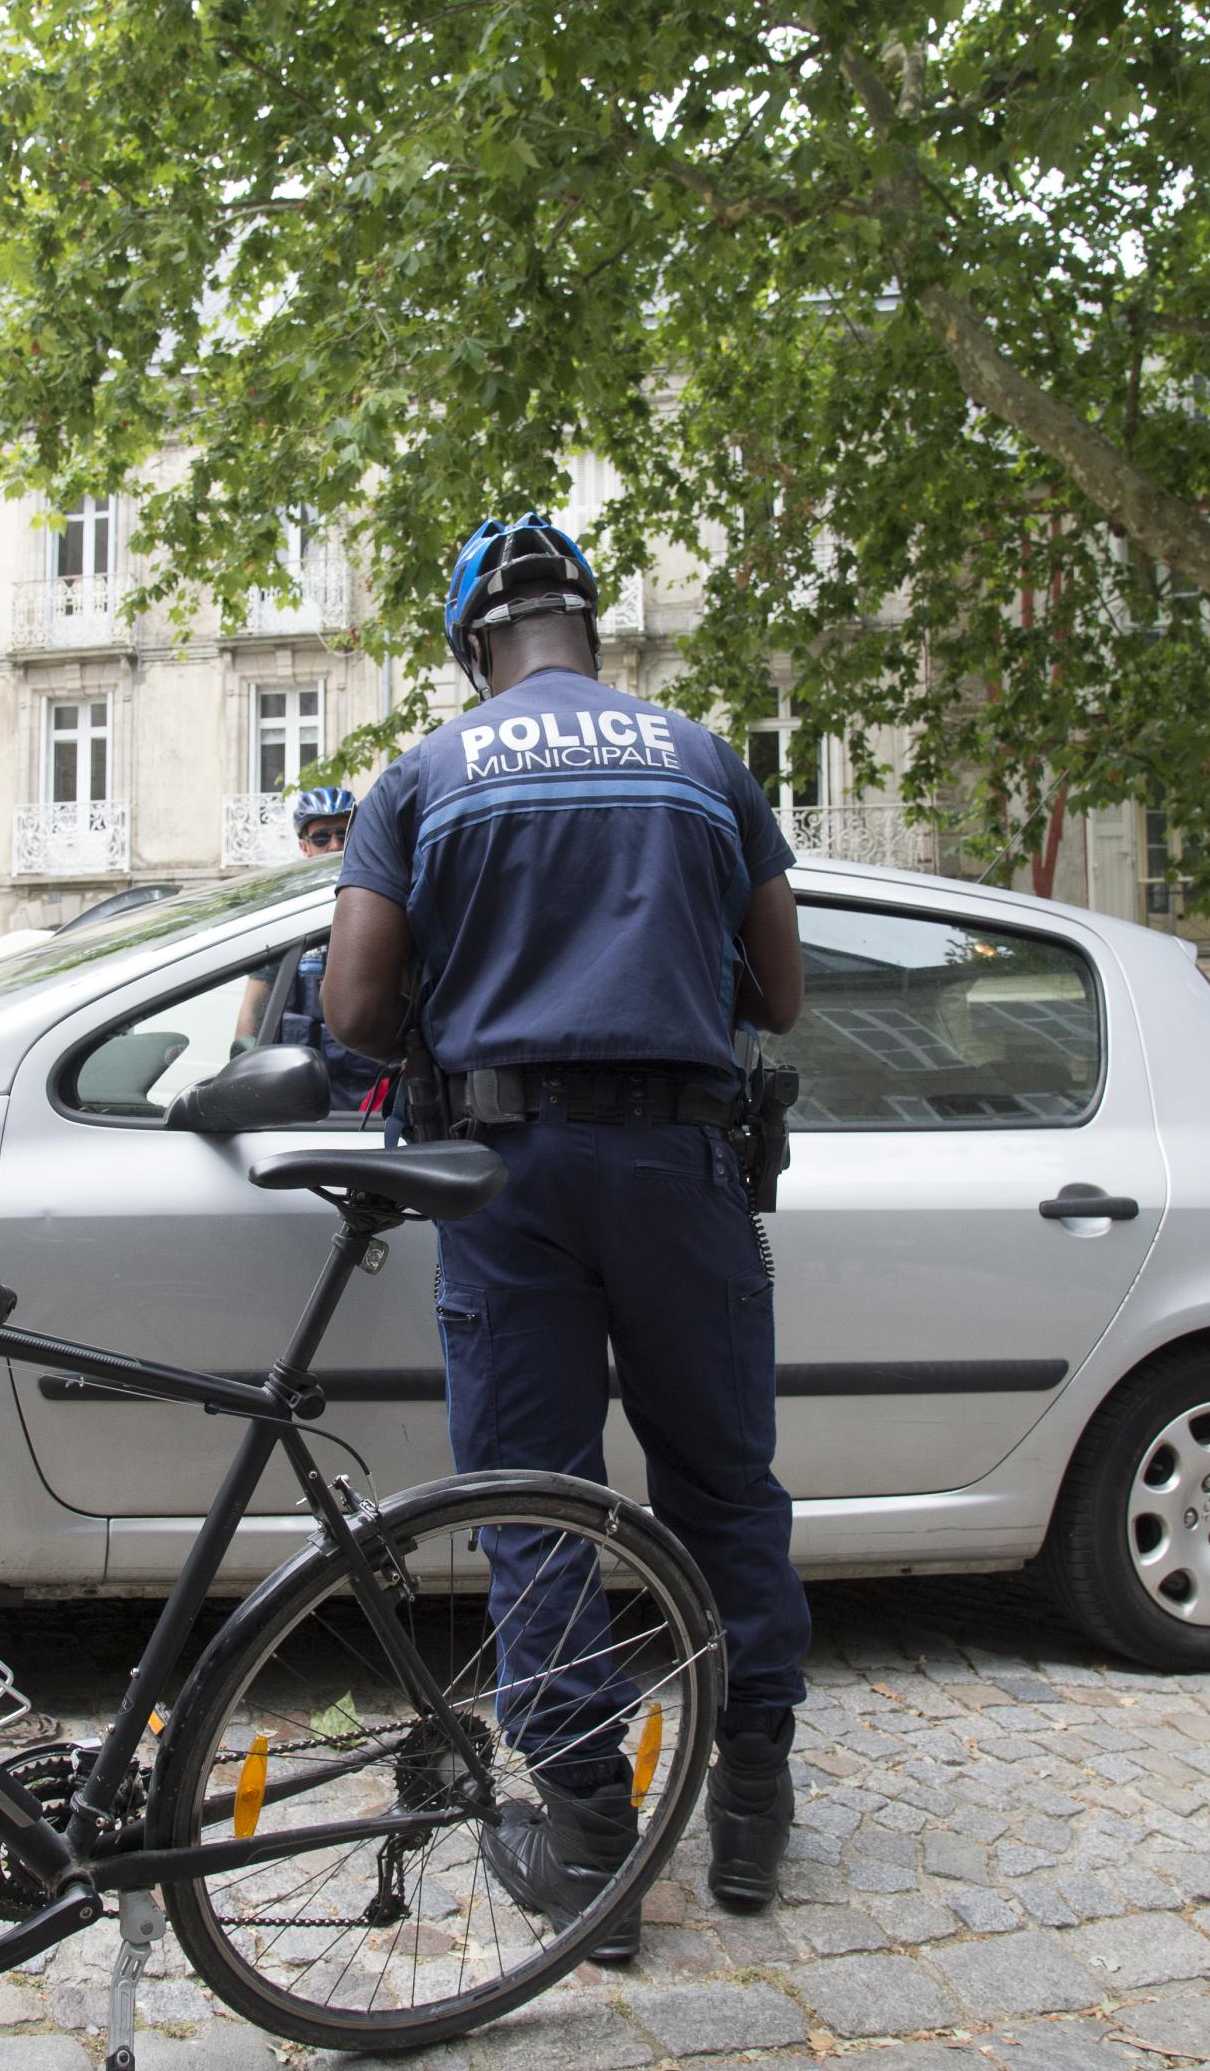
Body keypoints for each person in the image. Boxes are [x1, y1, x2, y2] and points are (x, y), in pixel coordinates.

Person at [322, 511, 808, 1961]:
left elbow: (349, 1012)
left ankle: (592, 1842)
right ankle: (751, 1810)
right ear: (591, 629)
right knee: (723, 1484)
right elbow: (780, 994)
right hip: (681, 1162)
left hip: (507, 1171)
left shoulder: (424, 775)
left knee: (538, 1498)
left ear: (479, 647)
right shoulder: (704, 760)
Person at [235, 787, 384, 1112]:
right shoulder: (287, 916)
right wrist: (238, 1078)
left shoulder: (383, 905)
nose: (335, 845)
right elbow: (253, 1008)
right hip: (298, 1098)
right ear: (304, 845)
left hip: (368, 1101)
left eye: (344, 834)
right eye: (322, 838)